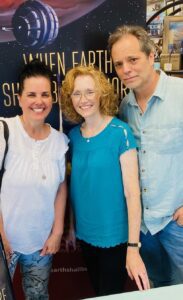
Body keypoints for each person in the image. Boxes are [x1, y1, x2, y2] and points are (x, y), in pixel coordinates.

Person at [61, 65, 149, 297]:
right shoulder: (73, 137)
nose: (84, 99)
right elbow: (75, 186)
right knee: (98, 292)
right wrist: (71, 227)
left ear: (101, 93)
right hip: (85, 233)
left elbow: (132, 194)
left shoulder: (120, 132)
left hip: (115, 236)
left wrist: (133, 247)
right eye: (77, 93)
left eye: (90, 91)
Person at [108, 24, 183, 288]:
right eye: (119, 64)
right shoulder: (124, 107)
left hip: (177, 223)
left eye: (132, 60)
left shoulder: (180, 94)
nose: (125, 69)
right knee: (158, 289)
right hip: (144, 229)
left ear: (152, 56)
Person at [0, 59, 68, 299]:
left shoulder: (59, 141)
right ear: (19, 98)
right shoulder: (3, 131)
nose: (39, 102)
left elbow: (61, 187)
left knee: (38, 296)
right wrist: (2, 237)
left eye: (45, 94)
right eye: (31, 94)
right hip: (4, 244)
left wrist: (57, 231)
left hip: (41, 244)